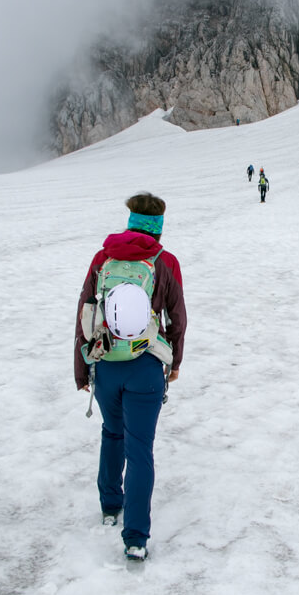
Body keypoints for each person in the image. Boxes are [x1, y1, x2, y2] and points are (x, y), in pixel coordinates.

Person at [74, 192, 187, 561]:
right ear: (158, 226)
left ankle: (110, 505)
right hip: (146, 366)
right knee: (140, 450)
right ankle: (135, 538)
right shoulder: (165, 261)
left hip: (106, 362)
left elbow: (85, 312)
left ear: (130, 221)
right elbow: (178, 319)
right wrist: (174, 363)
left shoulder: (103, 258)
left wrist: (82, 369)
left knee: (112, 431)